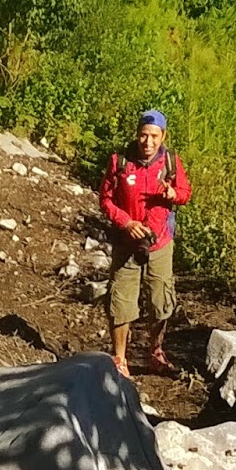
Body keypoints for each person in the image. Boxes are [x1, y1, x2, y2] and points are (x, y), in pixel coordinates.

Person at [99, 108, 191, 379]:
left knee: (161, 301)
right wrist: (126, 222)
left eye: (154, 136)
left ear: (163, 136)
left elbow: (186, 193)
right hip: (127, 242)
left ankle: (155, 351)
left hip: (160, 243)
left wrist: (174, 193)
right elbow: (105, 199)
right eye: (143, 135)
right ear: (137, 134)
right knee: (121, 302)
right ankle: (119, 358)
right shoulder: (120, 162)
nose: (148, 142)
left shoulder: (172, 163)